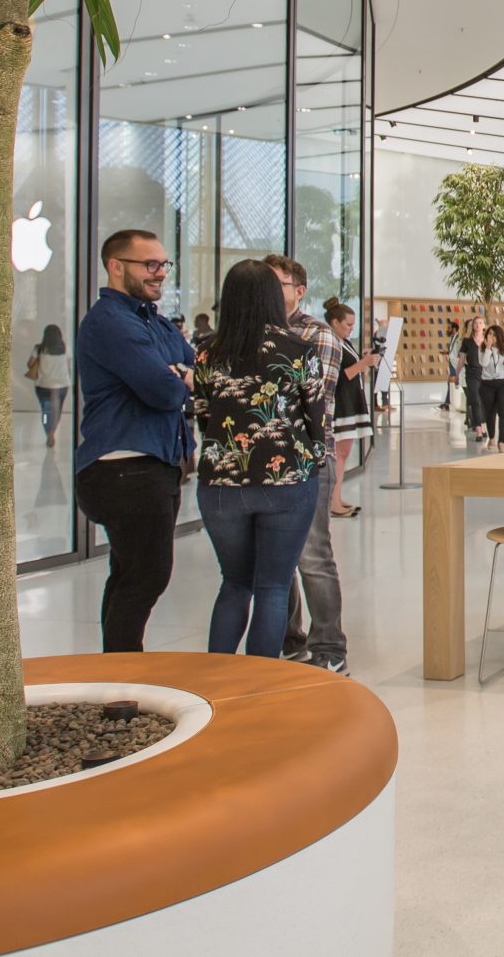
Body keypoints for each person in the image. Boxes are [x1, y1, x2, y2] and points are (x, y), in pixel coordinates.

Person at [188, 259, 328, 657]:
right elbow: (317, 418)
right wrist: (313, 461)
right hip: (287, 480)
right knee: (272, 586)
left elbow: (203, 414)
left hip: (220, 484)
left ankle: (217, 680)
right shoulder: (299, 349)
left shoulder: (207, 354)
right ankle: (260, 687)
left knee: (234, 583)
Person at [74, 229, 196, 652]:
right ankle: (122, 680)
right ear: (115, 266)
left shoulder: (150, 318)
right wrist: (177, 377)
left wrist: (176, 371)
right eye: (149, 265)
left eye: (163, 264)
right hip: (125, 468)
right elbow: (163, 390)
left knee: (129, 575)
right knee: (146, 576)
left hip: (148, 466)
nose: (159, 273)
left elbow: (191, 360)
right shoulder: (112, 321)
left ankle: (117, 673)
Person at [263, 255, 352, 672]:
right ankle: (289, 636)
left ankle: (329, 648)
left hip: (309, 458)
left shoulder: (317, 336)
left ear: (299, 291)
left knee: (312, 556)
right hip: (265, 462)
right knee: (275, 554)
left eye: (278, 283)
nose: (267, 289)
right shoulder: (256, 333)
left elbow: (312, 404)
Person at [323, 298, 375, 517]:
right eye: (348, 325)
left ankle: (337, 499)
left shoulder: (343, 342)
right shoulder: (332, 343)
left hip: (350, 402)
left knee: (343, 453)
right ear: (335, 323)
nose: (351, 329)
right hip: (342, 403)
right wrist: (364, 363)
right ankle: (333, 502)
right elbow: (340, 375)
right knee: (339, 454)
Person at [27, 323, 73, 449]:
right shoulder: (65, 348)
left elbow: (30, 364)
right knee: (57, 411)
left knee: (46, 411)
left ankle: (49, 432)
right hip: (62, 385)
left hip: (43, 384)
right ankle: (52, 431)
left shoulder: (39, 348)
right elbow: (69, 367)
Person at [479, 320, 504, 447]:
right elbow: (483, 363)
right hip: (487, 383)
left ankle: (502, 442)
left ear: (499, 336)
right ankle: (492, 437)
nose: (491, 337)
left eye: (494, 335)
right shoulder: (483, 349)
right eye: (489, 334)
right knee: (490, 411)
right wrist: (488, 347)